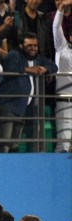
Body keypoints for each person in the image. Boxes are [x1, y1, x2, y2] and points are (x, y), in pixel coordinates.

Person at [0, 32, 57, 151]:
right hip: (8, 105)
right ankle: (0, 168)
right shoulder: (14, 55)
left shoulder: (38, 58)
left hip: (21, 107)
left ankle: (12, 168)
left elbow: (54, 66)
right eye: (29, 45)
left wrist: (45, 69)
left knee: (14, 145)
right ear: (21, 46)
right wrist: (29, 70)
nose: (33, 48)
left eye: (35, 45)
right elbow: (10, 68)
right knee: (5, 143)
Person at [53, 0, 72, 152]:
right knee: (63, 145)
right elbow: (56, 27)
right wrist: (60, 9)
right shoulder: (62, 48)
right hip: (65, 102)